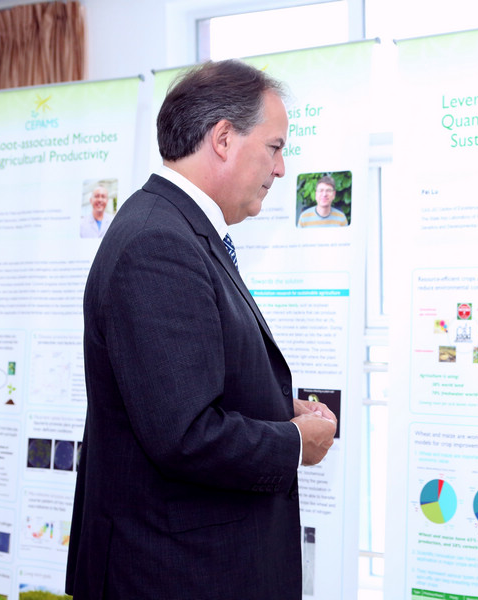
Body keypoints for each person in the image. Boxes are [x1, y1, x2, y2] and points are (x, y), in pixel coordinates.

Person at [66, 60, 337, 599]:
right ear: (223, 138)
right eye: (274, 147)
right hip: (174, 574)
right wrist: (292, 443)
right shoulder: (158, 243)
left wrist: (276, 409)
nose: (281, 169)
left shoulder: (179, 229)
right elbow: (185, 435)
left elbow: (187, 390)